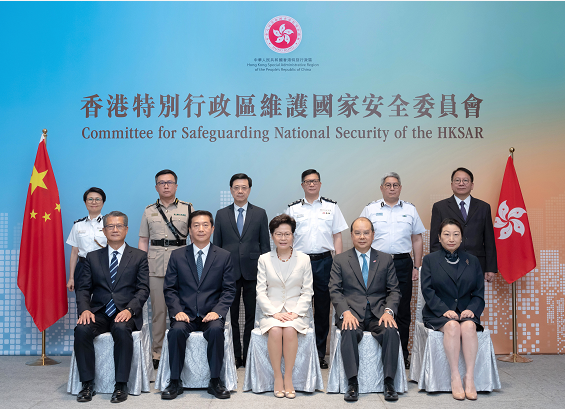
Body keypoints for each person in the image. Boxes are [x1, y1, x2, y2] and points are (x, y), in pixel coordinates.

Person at [74, 211, 150, 403]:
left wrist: (130, 310)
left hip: (125, 312)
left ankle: (121, 385)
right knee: (82, 329)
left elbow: (143, 289)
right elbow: (83, 288)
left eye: (119, 226)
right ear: (104, 230)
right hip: (99, 312)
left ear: (126, 229)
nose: (115, 229)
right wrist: (84, 309)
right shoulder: (92, 257)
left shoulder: (139, 256)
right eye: (110, 226)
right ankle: (87, 384)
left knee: (121, 329)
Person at [161, 210, 236, 400]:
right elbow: (170, 288)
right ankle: (175, 381)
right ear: (189, 230)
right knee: (176, 331)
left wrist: (217, 312)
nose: (201, 229)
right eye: (196, 225)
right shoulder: (177, 255)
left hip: (211, 314)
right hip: (184, 314)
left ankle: (215, 381)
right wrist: (177, 311)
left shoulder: (224, 256)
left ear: (212, 229)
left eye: (205, 225)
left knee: (216, 331)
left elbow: (229, 290)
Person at [329, 217, 401, 402]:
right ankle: (352, 383)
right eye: (358, 233)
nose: (362, 237)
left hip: (379, 313)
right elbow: (334, 290)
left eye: (366, 233)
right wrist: (345, 313)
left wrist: (389, 312)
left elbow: (394, 290)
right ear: (351, 235)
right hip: (352, 313)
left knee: (391, 330)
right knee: (348, 330)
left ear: (373, 235)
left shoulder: (385, 259)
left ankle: (389, 383)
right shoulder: (340, 260)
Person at [359, 172, 424, 369]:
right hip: (376, 263)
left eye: (395, 185)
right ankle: (377, 353)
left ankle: (402, 353)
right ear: (382, 188)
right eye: (388, 185)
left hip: (403, 263)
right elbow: (361, 236)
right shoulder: (370, 209)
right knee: (376, 306)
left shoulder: (410, 209)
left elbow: (417, 239)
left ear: (400, 188)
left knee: (403, 309)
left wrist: (416, 266)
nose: (392, 188)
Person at [285, 169, 348, 369]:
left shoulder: (332, 207)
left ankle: (320, 354)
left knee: (322, 309)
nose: (311, 184)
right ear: (302, 185)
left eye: (315, 181)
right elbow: (286, 237)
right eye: (307, 181)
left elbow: (337, 236)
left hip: (325, 262)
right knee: (298, 308)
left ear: (320, 184)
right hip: (300, 262)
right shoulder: (293, 209)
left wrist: (338, 263)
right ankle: (299, 353)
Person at [421, 218, 485, 401]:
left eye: (456, 234)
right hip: (437, 312)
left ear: (461, 238)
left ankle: (469, 378)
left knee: (469, 326)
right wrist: (443, 310)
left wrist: (472, 309)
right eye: (447, 234)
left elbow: (479, 293)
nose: (451, 239)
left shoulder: (472, 261)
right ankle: (455, 376)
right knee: (452, 326)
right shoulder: (430, 260)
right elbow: (427, 291)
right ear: (439, 238)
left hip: (465, 312)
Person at [138, 169, 194, 370]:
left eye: (170, 182)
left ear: (176, 186)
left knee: (183, 310)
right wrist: (142, 267)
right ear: (156, 187)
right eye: (162, 183)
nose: (166, 186)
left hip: (182, 265)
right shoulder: (149, 210)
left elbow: (195, 238)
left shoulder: (188, 208)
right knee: (159, 311)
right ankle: (158, 352)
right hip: (156, 266)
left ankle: (182, 349)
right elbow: (143, 240)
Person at [213, 173, 270, 368]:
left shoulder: (260, 213)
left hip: (254, 272)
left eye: (244, 187)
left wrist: (267, 272)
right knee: (233, 317)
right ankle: (236, 355)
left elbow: (265, 245)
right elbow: (217, 246)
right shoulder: (221, 214)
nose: (240, 191)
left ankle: (250, 354)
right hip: (229, 272)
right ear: (231, 190)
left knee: (252, 316)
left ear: (249, 190)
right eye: (236, 187)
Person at [256, 214, 314, 399]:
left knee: (289, 330)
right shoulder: (264, 259)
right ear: (272, 236)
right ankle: (277, 377)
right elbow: (261, 291)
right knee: (274, 331)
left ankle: (288, 377)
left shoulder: (304, 259)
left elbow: (307, 291)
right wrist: (273, 312)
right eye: (278, 234)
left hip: (296, 312)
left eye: (287, 234)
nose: (283, 238)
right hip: (271, 312)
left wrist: (296, 312)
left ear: (293, 236)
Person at [430, 167, 497, 282]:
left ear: (472, 185)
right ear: (452, 185)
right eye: (457, 180)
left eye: (465, 180)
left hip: (476, 263)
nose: (461, 183)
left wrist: (490, 268)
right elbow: (435, 241)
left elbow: (489, 239)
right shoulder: (440, 207)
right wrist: (437, 265)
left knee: (475, 293)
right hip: (448, 263)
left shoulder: (483, 207)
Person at [66, 187, 107, 292]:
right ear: (85, 202)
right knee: (82, 299)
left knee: (103, 298)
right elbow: (74, 252)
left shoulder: (109, 224)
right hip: (83, 267)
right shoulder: (78, 225)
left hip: (104, 267)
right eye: (90, 199)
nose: (94, 202)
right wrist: (71, 278)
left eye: (98, 199)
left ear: (103, 203)